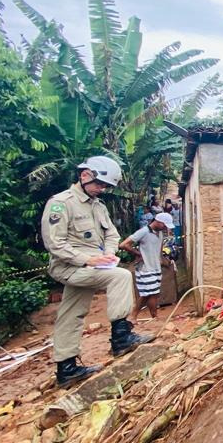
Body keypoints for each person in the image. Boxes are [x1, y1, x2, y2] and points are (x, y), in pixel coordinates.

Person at [41, 156, 153, 387]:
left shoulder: (98, 206)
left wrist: (109, 253)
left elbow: (111, 234)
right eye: (99, 184)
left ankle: (66, 368)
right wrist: (89, 259)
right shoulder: (61, 203)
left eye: (105, 187)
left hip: (95, 265)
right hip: (69, 267)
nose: (101, 190)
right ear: (85, 175)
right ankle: (121, 338)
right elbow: (55, 243)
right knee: (121, 276)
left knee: (72, 313)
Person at [120, 212, 175, 319]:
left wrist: (164, 261)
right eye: (164, 225)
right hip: (145, 268)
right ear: (158, 222)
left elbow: (158, 251)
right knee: (146, 294)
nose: (165, 228)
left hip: (155, 267)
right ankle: (134, 316)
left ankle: (154, 316)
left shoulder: (159, 233)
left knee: (153, 293)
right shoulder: (143, 232)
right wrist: (138, 254)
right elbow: (124, 244)